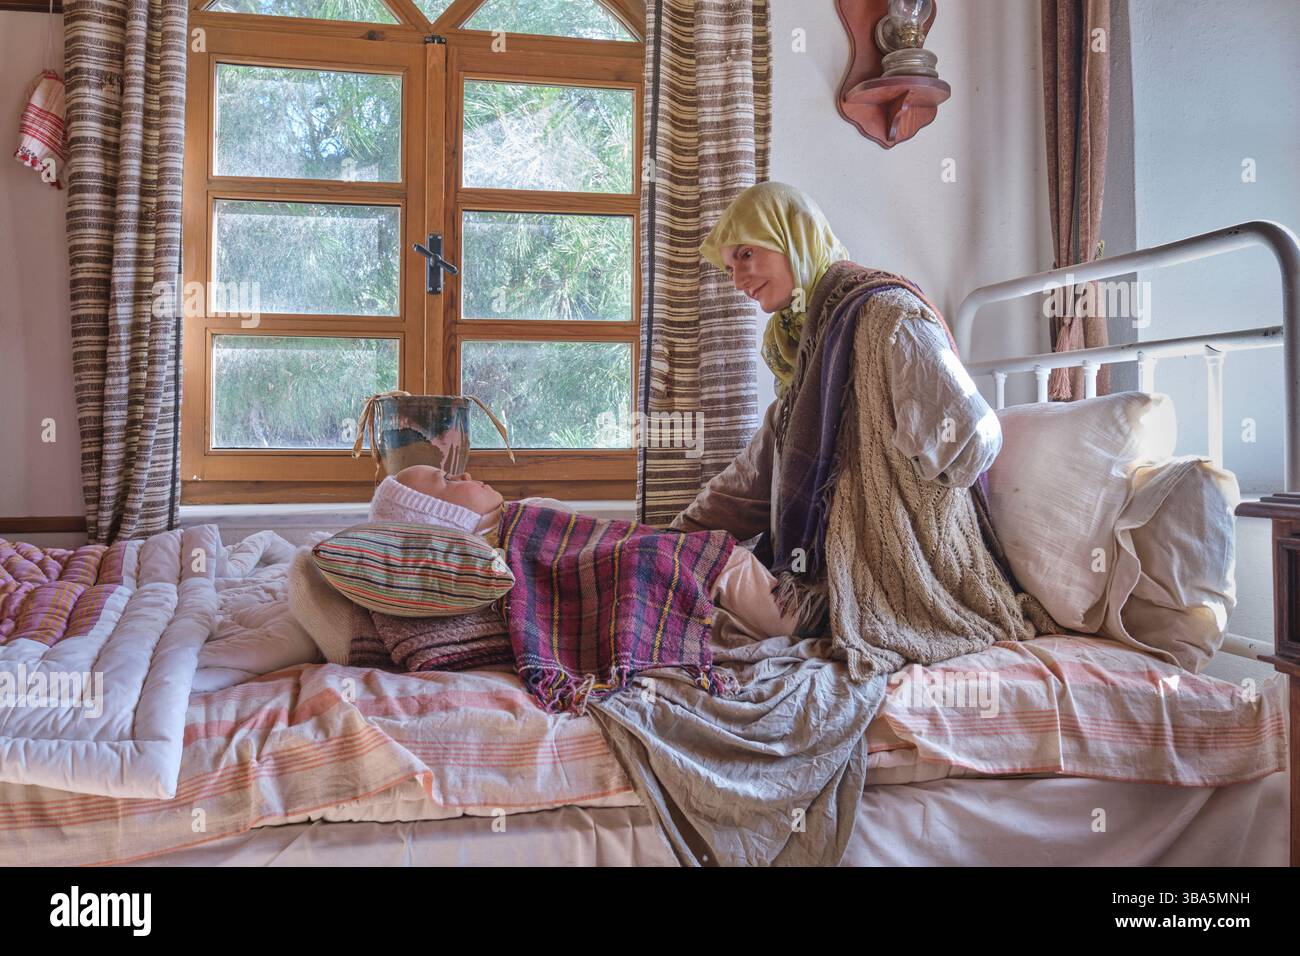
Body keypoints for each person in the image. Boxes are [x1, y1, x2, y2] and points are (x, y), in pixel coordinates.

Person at [666, 181, 1044, 676]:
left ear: (792, 237)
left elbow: (974, 437)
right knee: (681, 579)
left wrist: (888, 501)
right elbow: (748, 487)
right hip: (815, 581)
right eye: (729, 265)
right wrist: (661, 542)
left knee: (705, 584)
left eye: (745, 254)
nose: (737, 278)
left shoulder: (887, 317)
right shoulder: (806, 361)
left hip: (897, 582)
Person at [370, 466, 799, 640]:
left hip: (632, 552)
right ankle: (808, 630)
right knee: (726, 561)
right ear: (443, 515)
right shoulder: (490, 551)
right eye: (448, 479)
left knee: (722, 561)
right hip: (632, 567)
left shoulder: (516, 518)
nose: (465, 472)